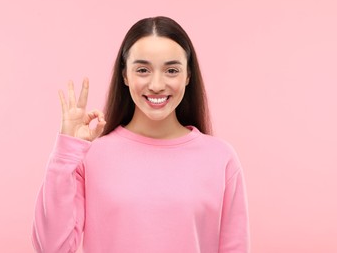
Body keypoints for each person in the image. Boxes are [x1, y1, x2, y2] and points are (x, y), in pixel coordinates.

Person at [32, 16, 250, 253]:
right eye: (143, 70)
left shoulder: (220, 158)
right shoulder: (91, 156)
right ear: (125, 75)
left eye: (172, 70)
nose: (156, 84)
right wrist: (66, 152)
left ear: (188, 76)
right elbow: (51, 248)